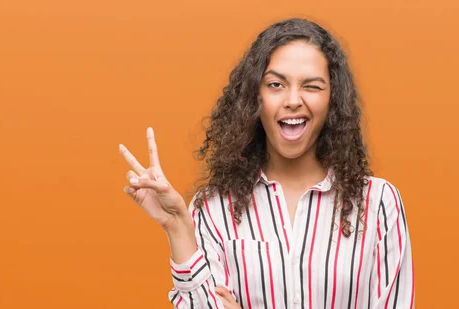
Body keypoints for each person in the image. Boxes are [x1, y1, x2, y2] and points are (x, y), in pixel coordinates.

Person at [119, 18, 414, 309]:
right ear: (255, 97)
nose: (293, 100)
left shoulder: (377, 204)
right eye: (276, 84)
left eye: (311, 86)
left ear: (332, 100)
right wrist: (176, 227)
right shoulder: (213, 209)